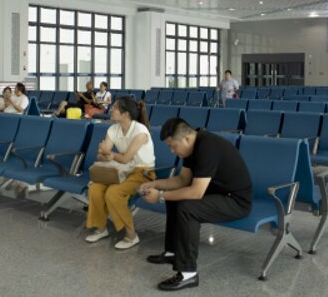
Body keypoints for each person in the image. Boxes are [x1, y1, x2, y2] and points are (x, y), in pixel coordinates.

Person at [141, 118, 252, 291]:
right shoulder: (192, 146)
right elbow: (182, 180)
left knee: (188, 208)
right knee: (175, 198)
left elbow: (196, 192)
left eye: (173, 146)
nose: (172, 151)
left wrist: (160, 196)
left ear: (186, 139)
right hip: (216, 193)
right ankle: (172, 253)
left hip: (236, 201)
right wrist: (155, 184)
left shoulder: (207, 147)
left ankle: (188, 274)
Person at [85, 96, 155, 249]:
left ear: (126, 114)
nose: (111, 110)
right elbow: (102, 155)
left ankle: (131, 235)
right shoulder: (113, 129)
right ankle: (101, 229)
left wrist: (109, 154)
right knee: (95, 189)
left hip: (142, 172)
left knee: (113, 193)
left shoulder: (140, 131)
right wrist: (104, 155)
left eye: (114, 108)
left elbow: (125, 158)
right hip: (122, 170)